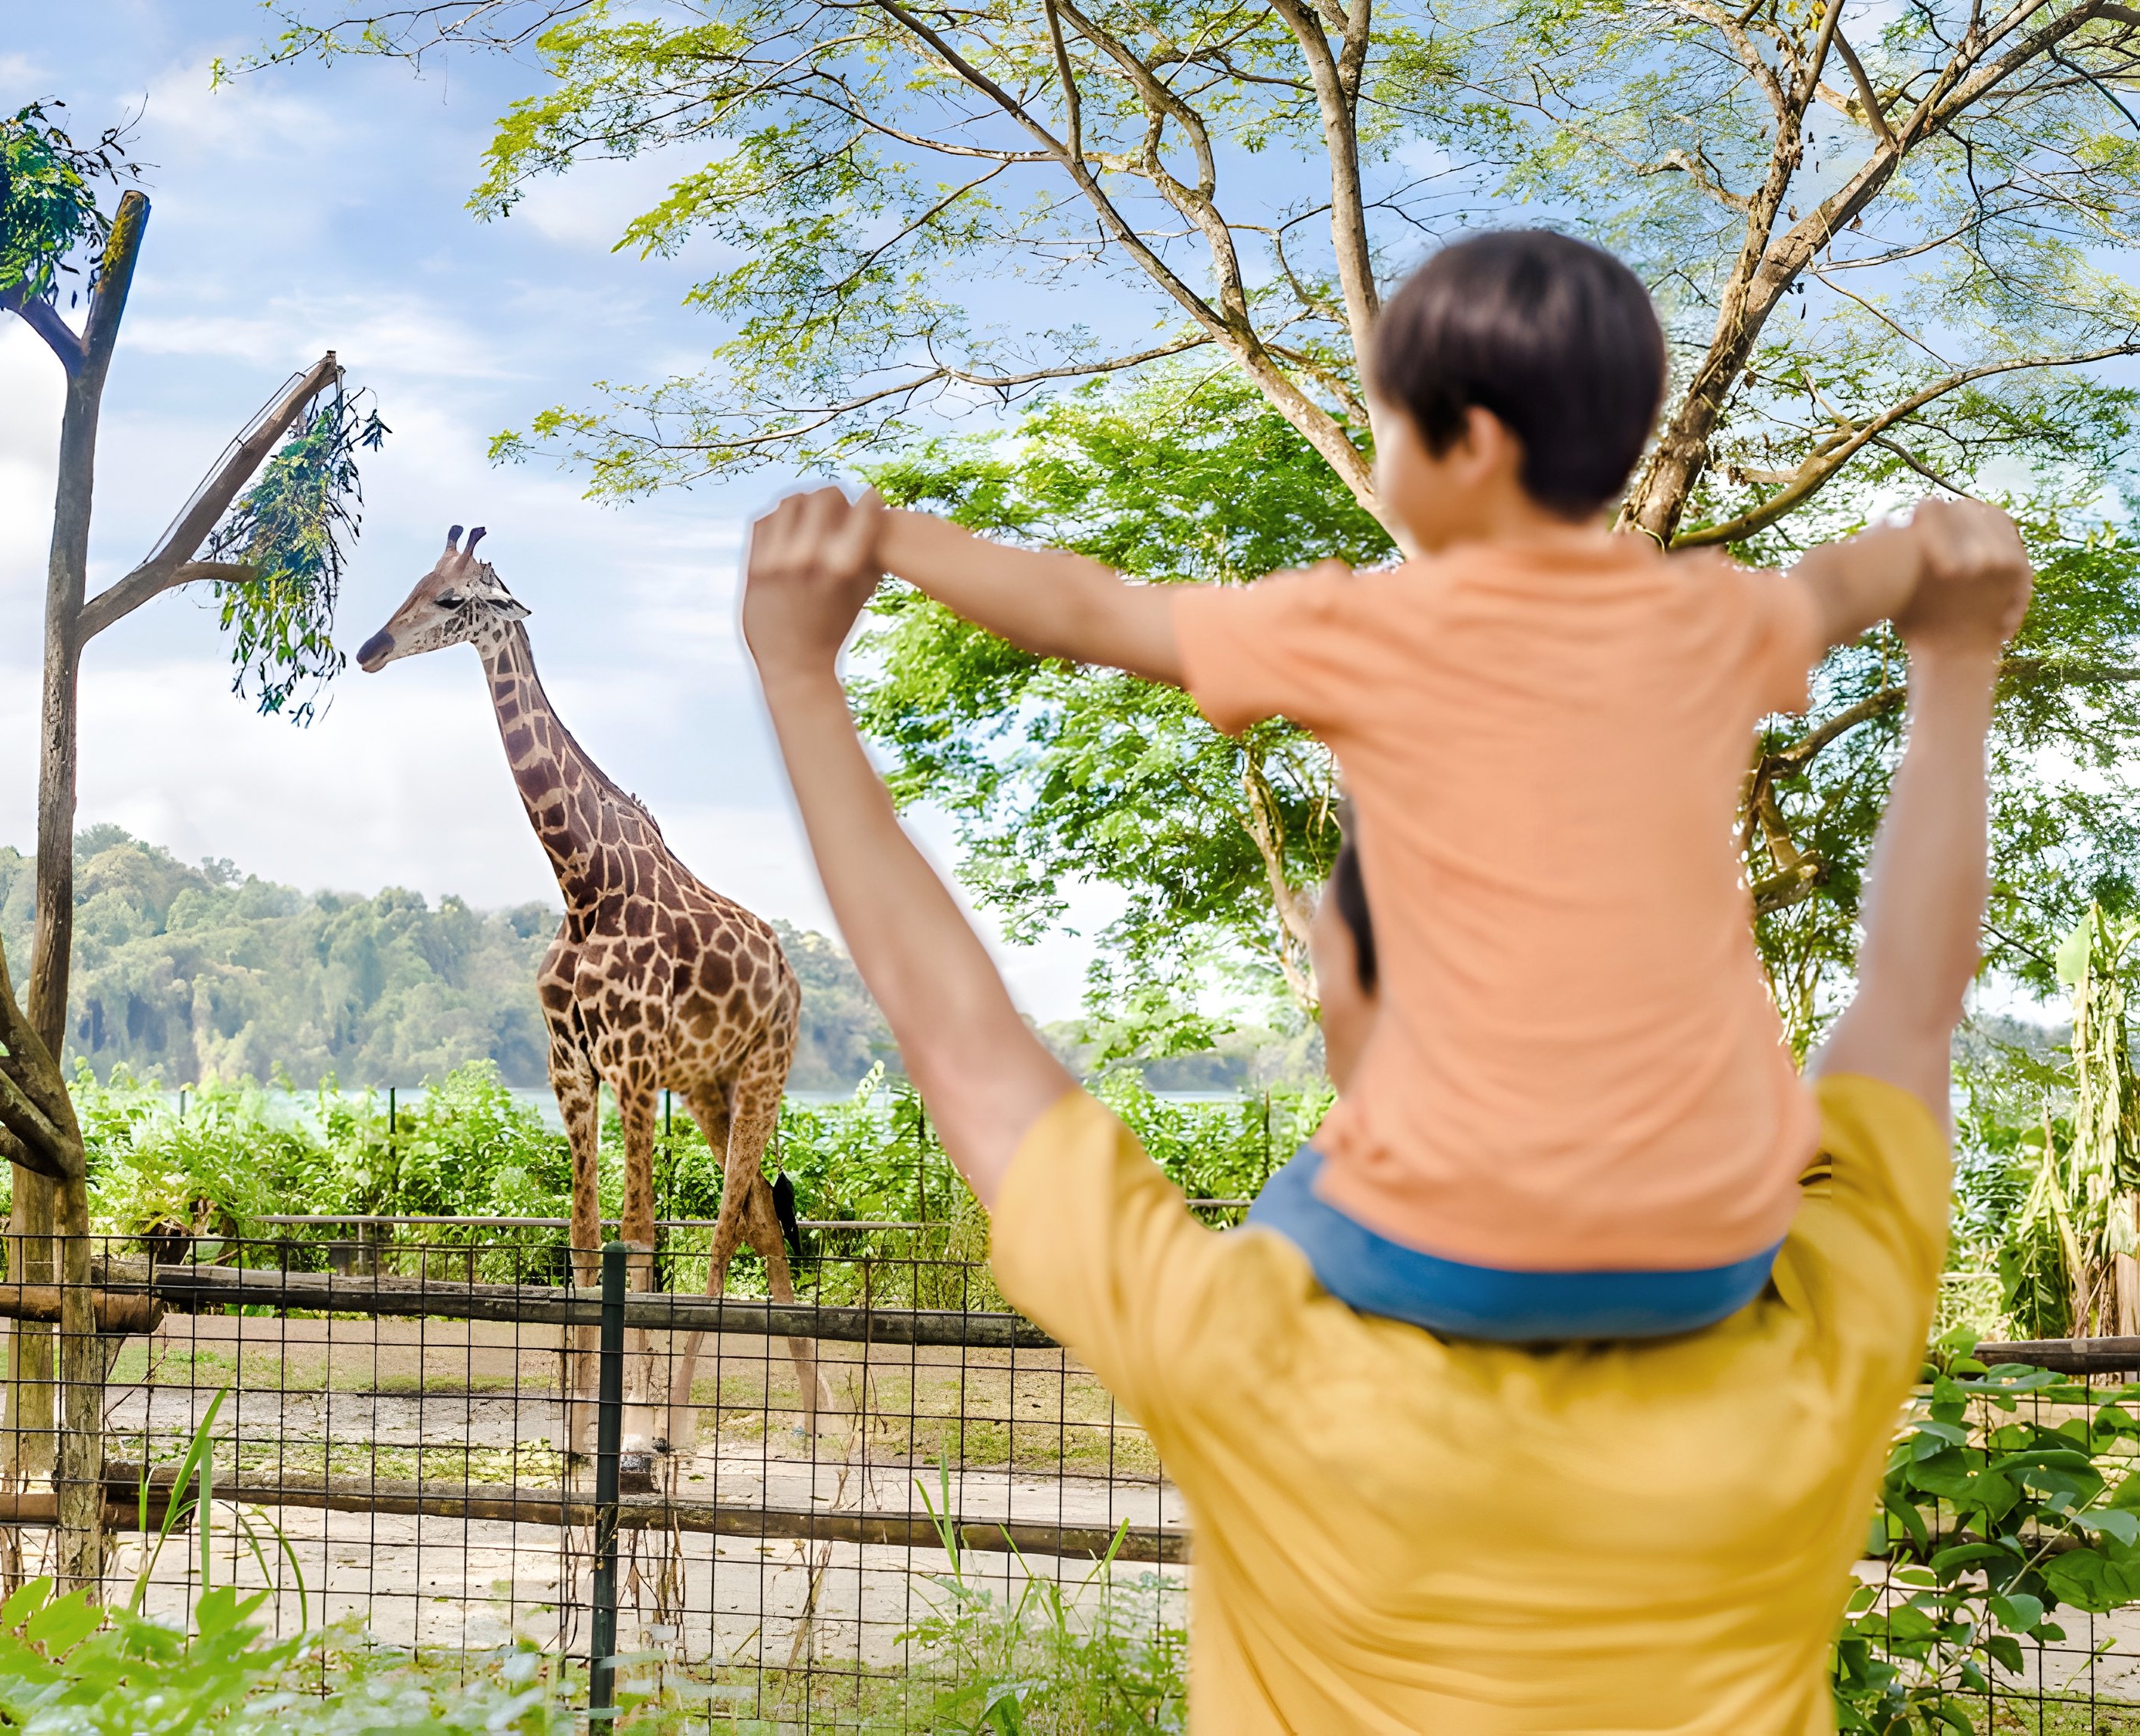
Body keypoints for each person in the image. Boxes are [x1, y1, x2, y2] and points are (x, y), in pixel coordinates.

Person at [740, 478, 2029, 1728]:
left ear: (1347, 986)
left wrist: (801, 678)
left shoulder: (1257, 1359)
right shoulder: (1814, 1336)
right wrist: (1955, 669)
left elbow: (961, 1041)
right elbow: (1909, 1003)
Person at [779, 228, 2018, 1343]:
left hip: (1447, 1252)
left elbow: (1089, 612)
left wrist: (895, 537)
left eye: (1386, 425)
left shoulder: (1374, 627)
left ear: (1471, 444)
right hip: (1712, 1245)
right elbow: (1840, 584)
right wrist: (1936, 546)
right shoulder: (1715, 617)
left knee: (1285, 1227)